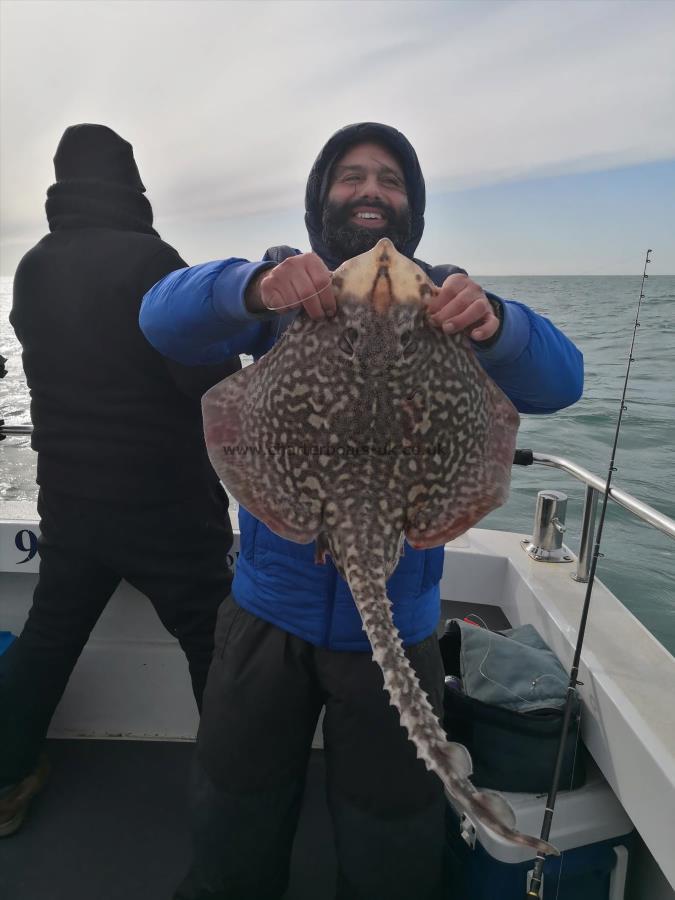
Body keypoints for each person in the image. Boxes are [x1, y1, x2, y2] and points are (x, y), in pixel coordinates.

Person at [139, 122, 584, 900]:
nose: (371, 190)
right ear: (322, 201)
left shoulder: (446, 300)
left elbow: (559, 380)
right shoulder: (285, 289)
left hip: (399, 621)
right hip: (266, 616)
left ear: (410, 207)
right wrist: (247, 285)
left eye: (390, 179)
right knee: (231, 819)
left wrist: (496, 324)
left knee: (390, 840)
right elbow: (161, 318)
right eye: (351, 177)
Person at [0, 124, 239, 837]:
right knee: (214, 642)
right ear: (131, 183)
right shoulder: (153, 260)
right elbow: (208, 382)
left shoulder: (31, 267)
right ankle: (232, 796)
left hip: (70, 504)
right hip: (165, 508)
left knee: (49, 635)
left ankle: (6, 779)